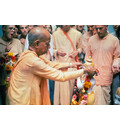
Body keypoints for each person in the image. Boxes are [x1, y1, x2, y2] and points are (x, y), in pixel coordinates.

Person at [8, 27, 96, 105]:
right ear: (37, 44)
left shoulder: (31, 54)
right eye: (47, 44)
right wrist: (84, 71)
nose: (49, 47)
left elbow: (50, 64)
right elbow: (60, 76)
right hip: (21, 101)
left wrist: (71, 64)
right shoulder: (32, 60)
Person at [85, 25, 120, 105]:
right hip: (93, 78)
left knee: (104, 102)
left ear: (106, 26)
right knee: (91, 102)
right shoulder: (91, 40)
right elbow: (87, 57)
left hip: (106, 77)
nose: (98, 30)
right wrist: (88, 70)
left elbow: (117, 57)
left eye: (101, 28)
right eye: (96, 28)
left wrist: (115, 64)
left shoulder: (114, 40)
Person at [53, 25, 83, 105]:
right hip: (59, 67)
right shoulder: (55, 34)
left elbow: (80, 48)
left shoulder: (77, 34)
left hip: (72, 68)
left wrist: (77, 52)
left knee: (70, 95)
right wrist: (57, 52)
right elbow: (52, 49)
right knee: (59, 96)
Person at [0, 25, 22, 105]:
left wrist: (19, 56)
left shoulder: (17, 42)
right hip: (2, 80)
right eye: (10, 28)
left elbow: (21, 58)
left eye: (14, 29)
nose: (13, 30)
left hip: (15, 81)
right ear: (4, 29)